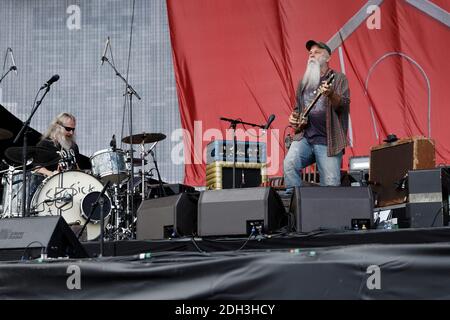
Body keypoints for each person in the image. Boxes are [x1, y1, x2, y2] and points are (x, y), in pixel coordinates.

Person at [283, 40, 350, 193]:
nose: (312, 54)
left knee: (331, 186)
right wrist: (295, 119)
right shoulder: (303, 82)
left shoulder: (339, 78)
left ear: (327, 58)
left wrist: (331, 93)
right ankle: (295, 202)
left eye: (317, 52)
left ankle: (330, 215)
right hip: (305, 137)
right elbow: (298, 109)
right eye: (310, 53)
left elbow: (343, 104)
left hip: (328, 141)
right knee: (289, 164)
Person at [35, 112, 80, 177]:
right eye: (68, 129)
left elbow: (77, 167)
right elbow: (37, 167)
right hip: (53, 184)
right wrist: (51, 174)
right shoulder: (45, 144)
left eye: (73, 129)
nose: (71, 132)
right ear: (57, 126)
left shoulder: (73, 146)